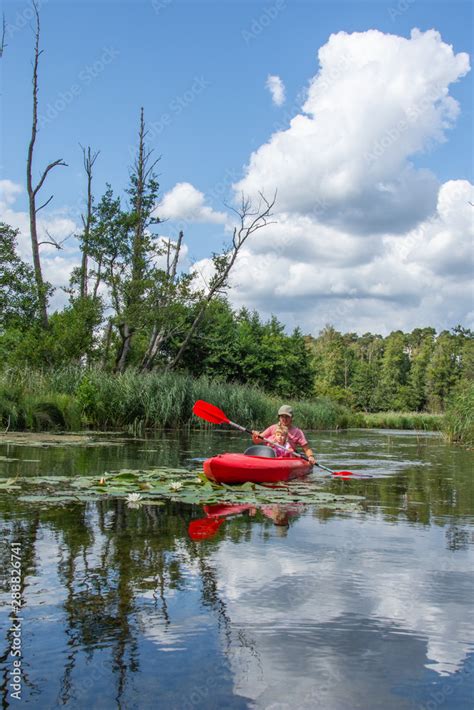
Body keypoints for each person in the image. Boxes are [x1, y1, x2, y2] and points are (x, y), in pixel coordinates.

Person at [252, 404, 316, 465]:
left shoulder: (297, 432)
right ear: (279, 417)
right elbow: (257, 441)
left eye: (287, 417)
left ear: (291, 418)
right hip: (270, 457)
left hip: (287, 459)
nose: (284, 419)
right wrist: (255, 435)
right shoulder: (272, 428)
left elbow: (307, 449)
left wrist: (311, 457)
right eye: (282, 416)